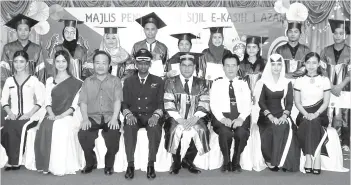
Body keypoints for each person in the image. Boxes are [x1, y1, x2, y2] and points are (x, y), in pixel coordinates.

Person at [34, 50, 83, 176]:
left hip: (68, 115)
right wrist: (51, 114)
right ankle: (47, 165)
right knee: (45, 127)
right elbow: (47, 101)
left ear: (68, 63)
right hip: (51, 113)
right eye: (58, 61)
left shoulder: (77, 83)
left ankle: (59, 166)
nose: (60, 64)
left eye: (63, 61)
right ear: (54, 63)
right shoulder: (50, 80)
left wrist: (61, 116)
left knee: (60, 126)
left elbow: (74, 105)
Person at [164, 52, 210, 175]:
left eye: (190, 65)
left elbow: (205, 102)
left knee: (203, 129)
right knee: (172, 129)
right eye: (184, 65)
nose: (187, 68)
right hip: (176, 116)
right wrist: (180, 119)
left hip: (195, 116)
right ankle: (176, 161)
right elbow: (168, 102)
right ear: (179, 66)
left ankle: (188, 160)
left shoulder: (201, 82)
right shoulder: (170, 82)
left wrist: (195, 117)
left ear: (194, 67)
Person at [78, 50, 122, 176]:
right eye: (97, 63)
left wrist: (114, 118)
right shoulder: (87, 81)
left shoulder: (115, 81)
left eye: (104, 63)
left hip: (110, 117)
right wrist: (85, 119)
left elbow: (117, 101)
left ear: (109, 65)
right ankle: (91, 162)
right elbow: (83, 102)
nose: (100, 66)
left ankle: (109, 165)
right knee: (83, 134)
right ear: (93, 64)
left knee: (113, 136)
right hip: (92, 117)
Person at [122, 49, 164, 179]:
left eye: (146, 63)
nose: (143, 66)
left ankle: (151, 164)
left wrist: (156, 116)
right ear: (136, 64)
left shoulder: (158, 81)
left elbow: (161, 102)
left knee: (154, 129)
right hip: (134, 115)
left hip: (151, 115)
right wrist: (128, 115)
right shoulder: (128, 81)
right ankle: (130, 164)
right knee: (129, 128)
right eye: (140, 63)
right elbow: (124, 103)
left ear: (150, 64)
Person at [256, 54, 300, 172]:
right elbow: (261, 102)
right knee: (271, 128)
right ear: (269, 66)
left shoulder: (287, 82)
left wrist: (284, 115)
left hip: (282, 114)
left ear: (282, 66)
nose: (276, 67)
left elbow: (289, 102)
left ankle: (284, 162)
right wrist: (270, 117)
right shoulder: (262, 82)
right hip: (265, 116)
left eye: (279, 64)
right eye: (273, 64)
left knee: (284, 125)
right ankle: (270, 159)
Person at [1, 50, 44, 171]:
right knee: (5, 130)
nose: (18, 64)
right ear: (12, 63)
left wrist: (29, 114)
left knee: (16, 128)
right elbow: (3, 100)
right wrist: (10, 113)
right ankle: (12, 158)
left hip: (30, 116)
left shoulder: (33, 80)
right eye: (15, 61)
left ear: (26, 63)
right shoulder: (9, 81)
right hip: (13, 115)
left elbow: (40, 101)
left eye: (21, 61)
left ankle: (14, 162)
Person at [210, 53, 251, 173]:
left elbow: (248, 103)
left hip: (240, 116)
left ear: (238, 67)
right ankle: (226, 161)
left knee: (241, 132)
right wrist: (222, 119)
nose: (230, 68)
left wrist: (241, 118)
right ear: (223, 67)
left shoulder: (243, 82)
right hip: (222, 116)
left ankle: (236, 161)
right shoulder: (217, 83)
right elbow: (213, 104)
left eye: (233, 65)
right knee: (225, 132)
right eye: (227, 65)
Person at [294, 52, 331, 175]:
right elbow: (297, 102)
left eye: (314, 62)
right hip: (303, 113)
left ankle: (315, 156)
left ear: (319, 64)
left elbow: (326, 102)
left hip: (320, 114)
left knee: (313, 121)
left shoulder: (324, 80)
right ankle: (311, 157)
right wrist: (306, 114)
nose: (311, 65)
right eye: (308, 62)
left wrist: (315, 114)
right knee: (308, 122)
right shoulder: (299, 80)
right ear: (304, 63)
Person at [320, 19, 350, 151]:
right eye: (335, 33)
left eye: (341, 33)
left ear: (346, 35)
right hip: (328, 88)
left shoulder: (350, 51)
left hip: (346, 89)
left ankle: (345, 143)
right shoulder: (325, 51)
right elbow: (321, 70)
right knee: (328, 112)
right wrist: (332, 86)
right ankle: (326, 140)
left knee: (345, 115)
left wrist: (340, 86)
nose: (338, 36)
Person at [1, 14, 46, 86]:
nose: (23, 32)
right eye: (20, 29)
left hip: (32, 89)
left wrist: (38, 91)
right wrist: (7, 90)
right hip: (13, 89)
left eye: (26, 29)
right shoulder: (8, 48)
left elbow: (41, 73)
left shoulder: (37, 49)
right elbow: (4, 73)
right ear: (16, 31)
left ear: (30, 31)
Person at [132, 12, 168, 77]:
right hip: (140, 79)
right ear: (144, 30)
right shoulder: (137, 46)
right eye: (147, 29)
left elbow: (166, 67)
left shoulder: (163, 47)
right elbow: (132, 65)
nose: (150, 32)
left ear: (157, 30)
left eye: (153, 29)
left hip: (158, 79)